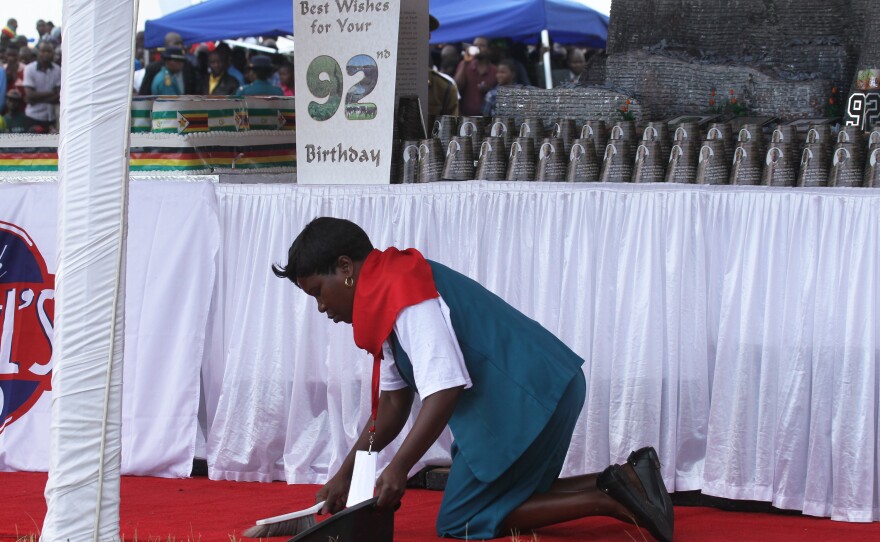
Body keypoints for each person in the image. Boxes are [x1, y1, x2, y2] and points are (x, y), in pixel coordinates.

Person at [271, 217, 675, 542]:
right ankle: (626, 480)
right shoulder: (387, 295)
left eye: (318, 292)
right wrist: (345, 473)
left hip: (531, 397)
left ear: (345, 268)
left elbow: (445, 388)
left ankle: (612, 501)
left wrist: (400, 468)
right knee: (490, 497)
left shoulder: (401, 290)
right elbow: (393, 407)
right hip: (532, 392)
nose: (322, 307)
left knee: (461, 519)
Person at [453, 36, 497, 116]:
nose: (478, 48)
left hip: (486, 118)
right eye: (475, 45)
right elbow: (456, 87)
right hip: (464, 116)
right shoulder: (464, 64)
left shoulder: (494, 70)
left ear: (489, 50)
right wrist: (466, 62)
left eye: (482, 45)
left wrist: (489, 90)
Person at [23, 41, 60, 132]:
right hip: (33, 116)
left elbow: (59, 96)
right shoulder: (29, 69)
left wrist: (36, 100)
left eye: (49, 51)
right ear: (38, 52)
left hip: (50, 118)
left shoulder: (58, 70)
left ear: (53, 53)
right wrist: (52, 93)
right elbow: (30, 95)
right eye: (43, 51)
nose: (46, 54)